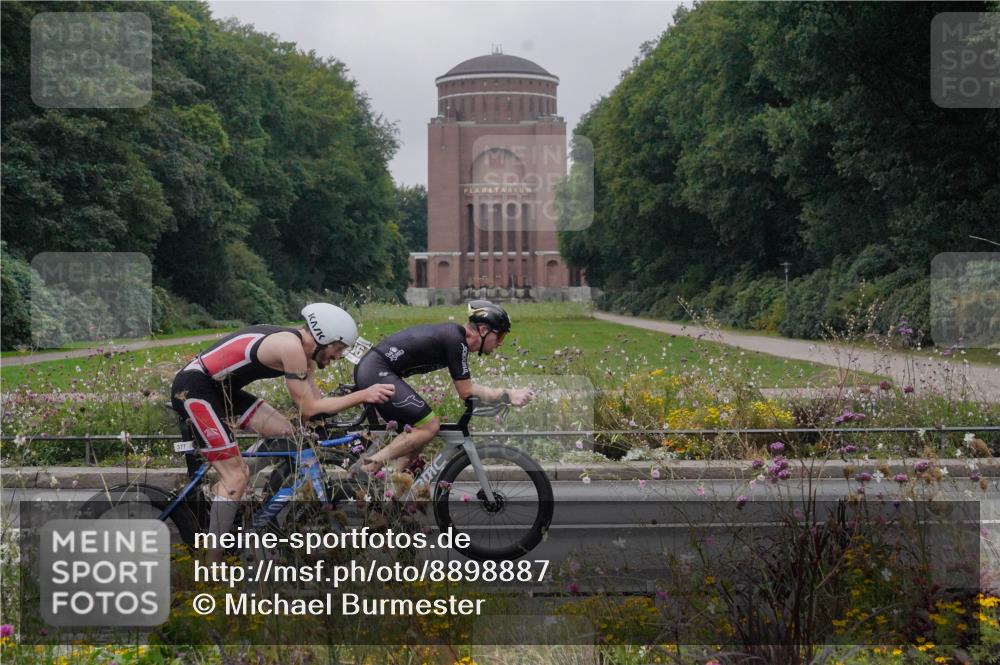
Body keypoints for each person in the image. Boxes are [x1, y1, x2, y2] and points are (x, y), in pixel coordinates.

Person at [171, 303, 394, 560]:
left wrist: (356, 404)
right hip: (196, 389)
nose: (338, 356)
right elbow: (309, 408)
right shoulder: (291, 348)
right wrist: (363, 395)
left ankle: (226, 487)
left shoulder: (304, 354)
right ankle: (211, 564)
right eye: (339, 348)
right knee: (236, 478)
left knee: (288, 435)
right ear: (323, 338)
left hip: (222, 390)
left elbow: (315, 413)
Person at [352, 300, 533, 475]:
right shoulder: (456, 340)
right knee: (430, 426)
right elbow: (466, 391)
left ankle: (392, 489)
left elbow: (466, 388)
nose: (500, 343)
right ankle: (369, 468)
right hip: (376, 371)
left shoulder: (455, 338)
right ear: (484, 330)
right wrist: (508, 394)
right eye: (500, 336)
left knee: (417, 434)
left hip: (375, 370)